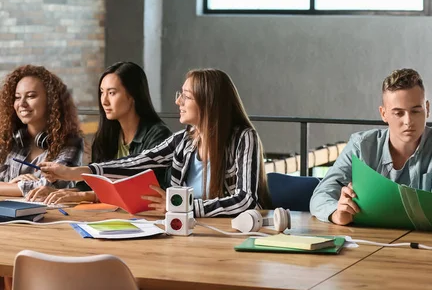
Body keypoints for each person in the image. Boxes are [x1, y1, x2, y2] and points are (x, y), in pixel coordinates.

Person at [40, 68, 270, 217]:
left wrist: (184, 207)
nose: (178, 100)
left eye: (187, 96)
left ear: (209, 102)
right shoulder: (184, 141)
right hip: (186, 232)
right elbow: (137, 162)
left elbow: (246, 201)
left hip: (229, 235)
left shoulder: (243, 138)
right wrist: (76, 173)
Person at [310, 68, 432, 225]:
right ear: (383, 114)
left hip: (424, 243)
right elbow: (320, 196)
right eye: (398, 113)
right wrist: (337, 213)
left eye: (416, 111)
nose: (408, 121)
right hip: (367, 240)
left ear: (427, 109)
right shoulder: (361, 146)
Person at [26, 61, 172, 204]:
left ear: (132, 96)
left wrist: (86, 195)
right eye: (102, 92)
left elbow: (142, 190)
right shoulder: (107, 135)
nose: (104, 101)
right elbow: (93, 183)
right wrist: (62, 192)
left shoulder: (158, 136)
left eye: (112, 93)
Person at [0, 65, 82, 197]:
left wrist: (10, 186)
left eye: (31, 96)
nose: (22, 103)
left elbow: (48, 186)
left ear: (50, 101)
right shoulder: (8, 138)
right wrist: (12, 186)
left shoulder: (71, 142)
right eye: (17, 97)